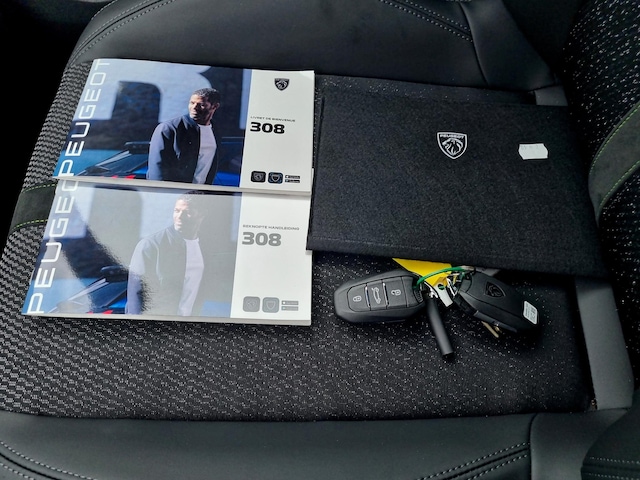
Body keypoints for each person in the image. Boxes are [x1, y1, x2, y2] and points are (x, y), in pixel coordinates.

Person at [125, 191, 209, 316]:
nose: (179, 216)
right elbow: (136, 296)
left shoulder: (205, 248)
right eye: (177, 211)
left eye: (187, 212)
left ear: (202, 215)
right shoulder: (150, 246)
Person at [146, 87, 221, 184]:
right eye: (192, 103)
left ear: (215, 106)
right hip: (175, 191)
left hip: (201, 191)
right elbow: (157, 167)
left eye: (201, 105)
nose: (194, 108)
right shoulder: (170, 128)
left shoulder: (215, 130)